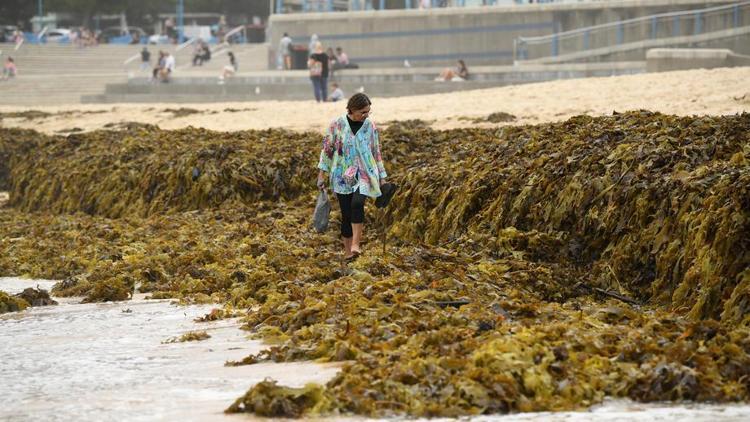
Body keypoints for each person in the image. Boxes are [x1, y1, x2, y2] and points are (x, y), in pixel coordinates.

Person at [317, 93, 388, 261]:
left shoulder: (369, 125)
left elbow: (376, 151)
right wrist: (321, 175)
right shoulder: (337, 125)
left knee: (357, 204)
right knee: (346, 214)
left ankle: (356, 244)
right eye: (363, 112)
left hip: (365, 172)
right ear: (352, 110)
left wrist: (382, 177)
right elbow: (327, 151)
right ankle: (348, 253)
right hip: (341, 175)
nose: (366, 115)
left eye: (368, 112)